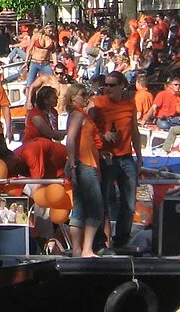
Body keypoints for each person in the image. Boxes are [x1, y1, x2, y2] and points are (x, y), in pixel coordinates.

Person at [93, 71, 142, 249]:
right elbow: (87, 128)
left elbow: (135, 132)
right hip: (107, 157)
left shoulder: (130, 105)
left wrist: (139, 157)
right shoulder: (97, 103)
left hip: (126, 157)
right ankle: (101, 241)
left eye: (112, 85)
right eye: (105, 85)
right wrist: (102, 135)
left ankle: (122, 239)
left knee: (129, 201)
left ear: (122, 86)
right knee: (103, 200)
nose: (107, 88)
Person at [63, 83, 104, 258]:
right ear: (73, 97)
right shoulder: (77, 114)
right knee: (96, 208)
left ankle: (77, 250)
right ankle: (86, 249)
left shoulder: (81, 113)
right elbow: (70, 140)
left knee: (80, 207)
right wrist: (73, 167)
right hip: (83, 164)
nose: (85, 96)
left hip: (86, 162)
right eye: (82, 94)